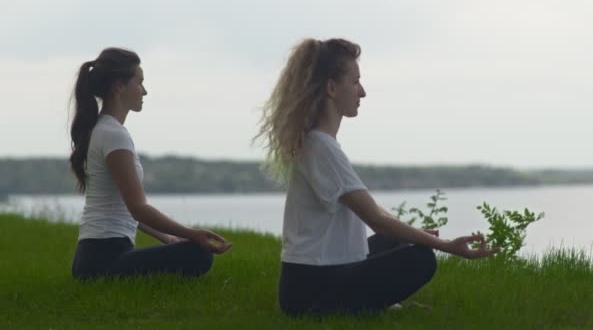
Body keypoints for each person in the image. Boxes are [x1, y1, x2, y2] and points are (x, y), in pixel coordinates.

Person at [254, 38, 499, 316]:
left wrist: (415, 234)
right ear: (332, 88)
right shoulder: (322, 148)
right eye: (355, 82)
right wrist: (445, 245)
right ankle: (370, 306)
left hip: (307, 281)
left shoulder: (319, 143)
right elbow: (377, 220)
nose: (363, 92)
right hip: (310, 290)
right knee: (421, 259)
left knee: (401, 241)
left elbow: (369, 210)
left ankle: (376, 303)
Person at [69, 47, 232, 280]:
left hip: (93, 258)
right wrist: (192, 234)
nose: (144, 91)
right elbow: (139, 208)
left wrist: (170, 238)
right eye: (140, 82)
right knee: (199, 254)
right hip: (103, 259)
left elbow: (127, 208)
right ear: (119, 86)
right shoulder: (113, 135)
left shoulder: (103, 130)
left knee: (189, 249)